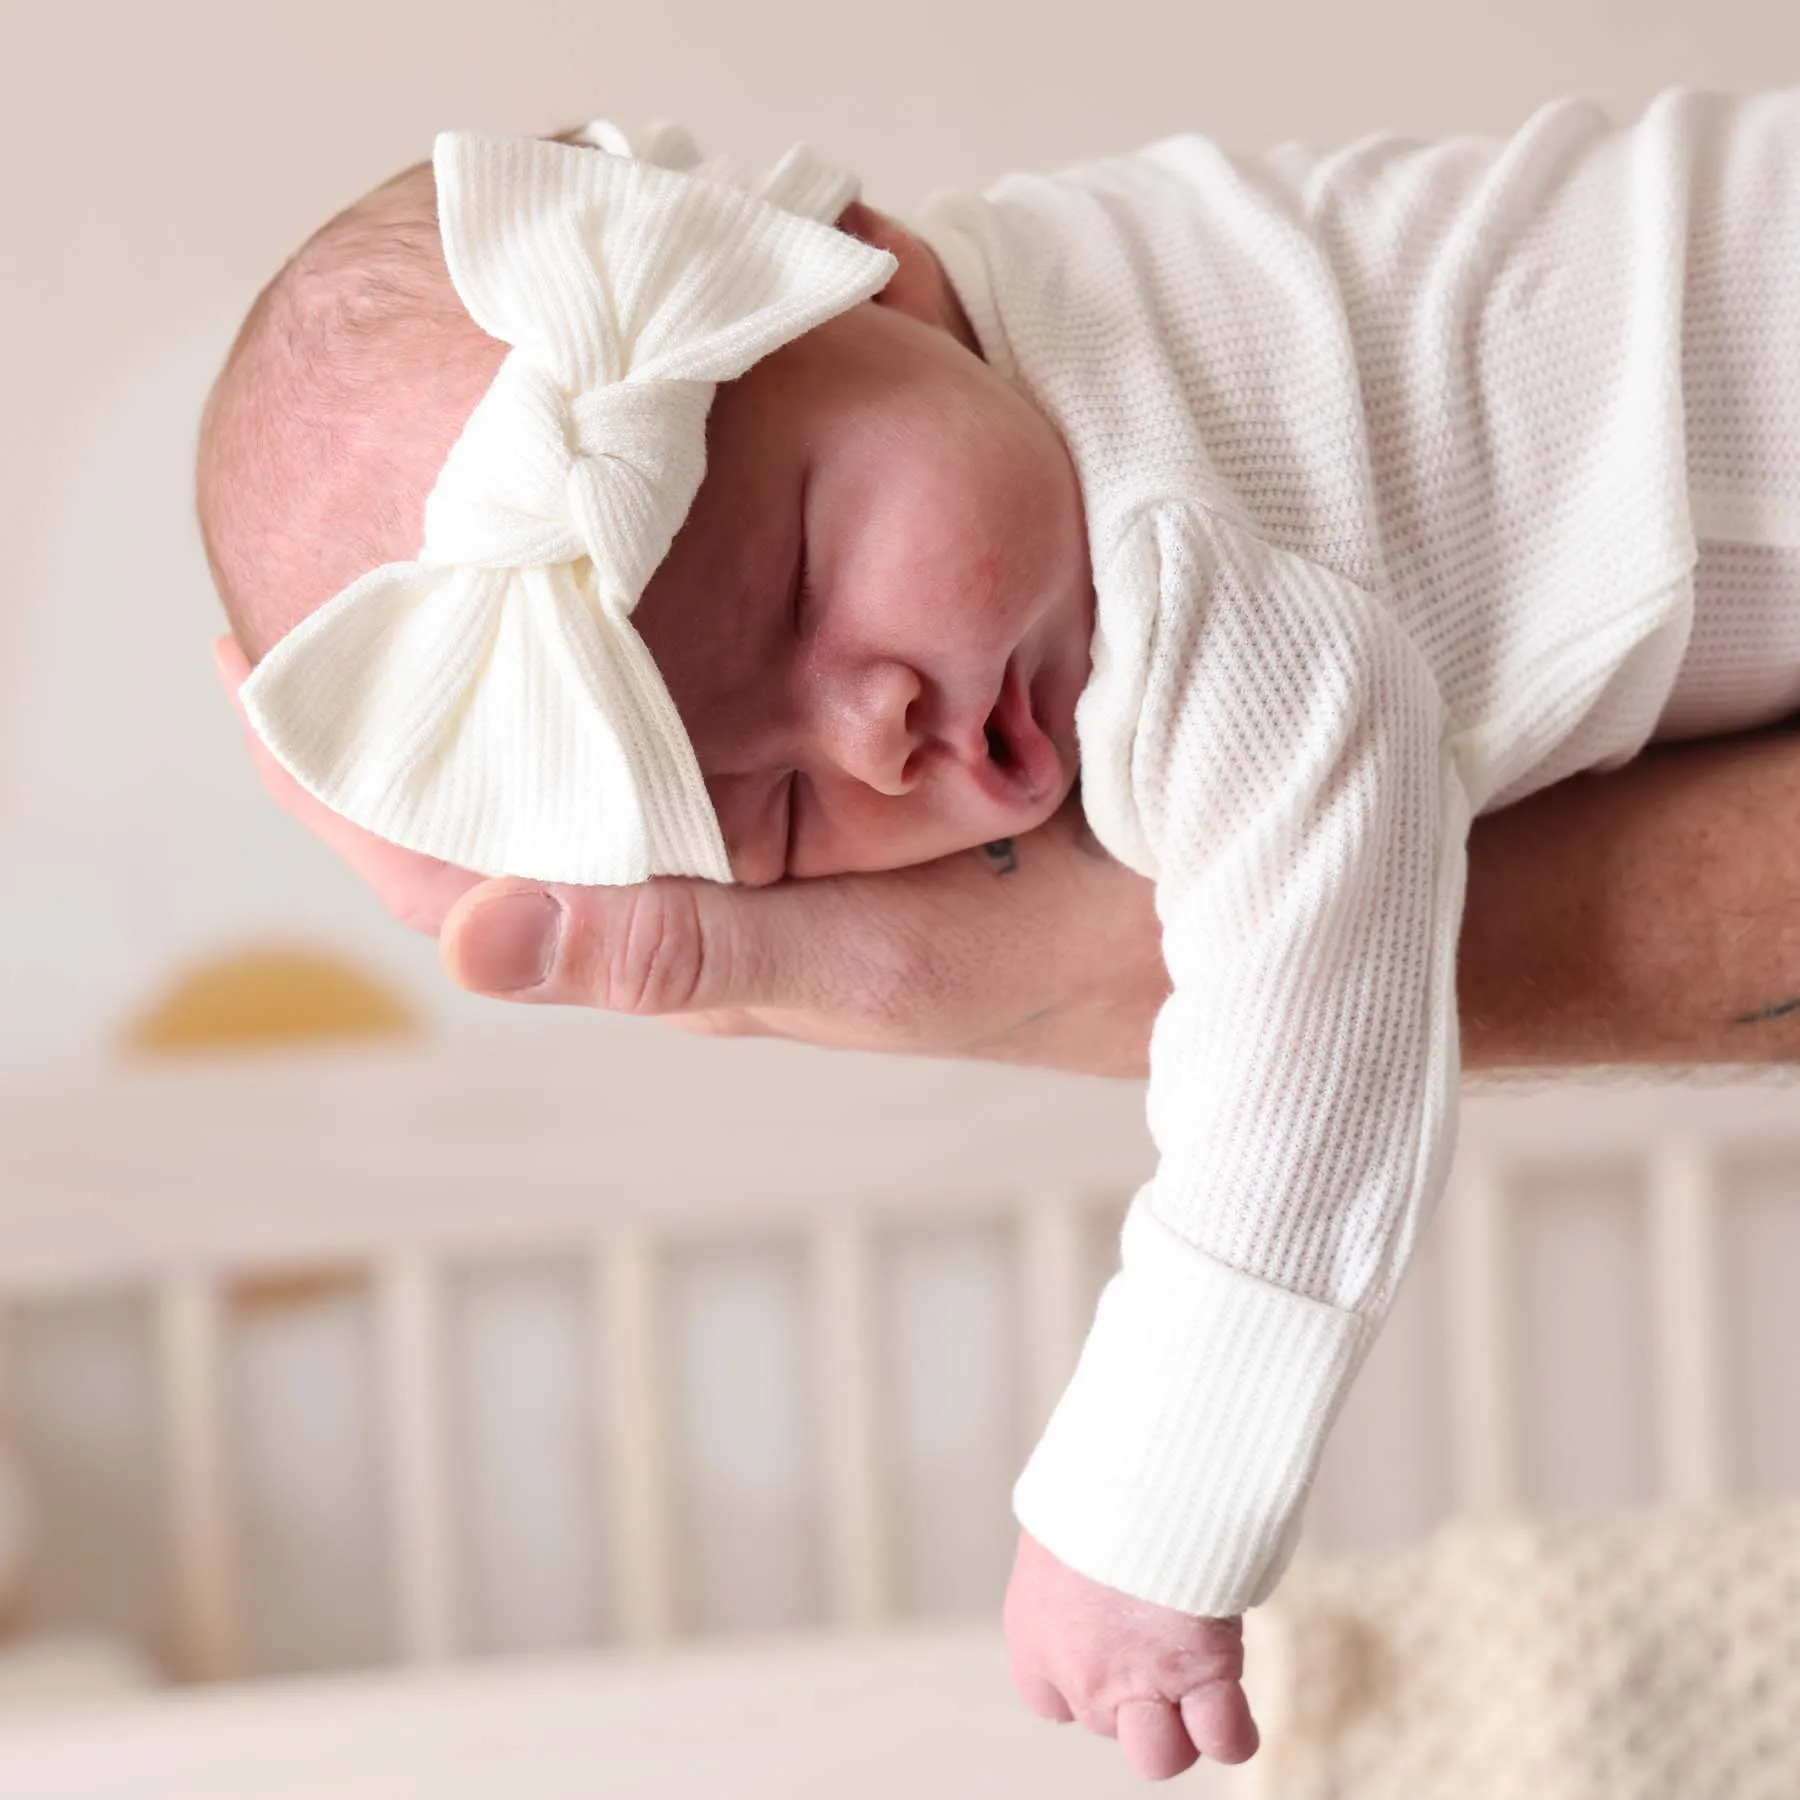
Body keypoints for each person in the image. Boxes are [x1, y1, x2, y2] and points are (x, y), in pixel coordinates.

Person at [200, 97, 1800, 1779]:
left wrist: (1150, 1494)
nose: (869, 733)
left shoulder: (1163, 544)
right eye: (766, 814)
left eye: (807, 584)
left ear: (866, 274)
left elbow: (1319, 952)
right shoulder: (988, 362)